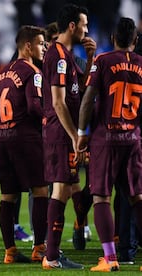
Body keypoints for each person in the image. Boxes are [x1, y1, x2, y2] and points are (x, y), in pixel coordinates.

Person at [76, 17, 142, 272]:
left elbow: (89, 98)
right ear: (135, 41)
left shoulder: (103, 61)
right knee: (136, 197)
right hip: (133, 138)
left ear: (113, 38)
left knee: (101, 196)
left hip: (107, 138)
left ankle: (110, 258)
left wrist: (82, 132)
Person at [41, 3, 95, 270]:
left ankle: (53, 252)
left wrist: (92, 58)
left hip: (63, 133)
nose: (87, 29)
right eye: (84, 24)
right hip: (61, 134)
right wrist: (75, 135)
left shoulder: (67, 56)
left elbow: (80, 92)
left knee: (69, 189)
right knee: (61, 190)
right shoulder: (59, 57)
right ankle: (51, 256)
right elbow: (59, 102)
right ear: (72, 26)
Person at [0, 25, 48, 264]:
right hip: (27, 138)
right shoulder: (33, 72)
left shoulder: (2, 74)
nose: (44, 48)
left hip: (3, 139)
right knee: (41, 190)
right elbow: (35, 108)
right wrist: (48, 121)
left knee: (8, 197)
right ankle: (39, 248)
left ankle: (10, 252)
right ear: (28, 46)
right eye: (41, 44)